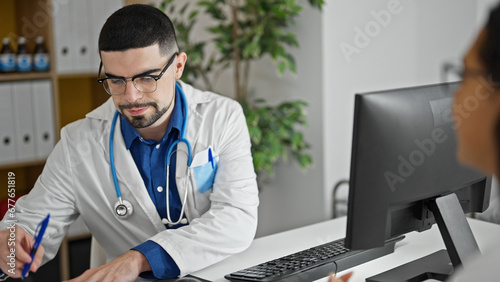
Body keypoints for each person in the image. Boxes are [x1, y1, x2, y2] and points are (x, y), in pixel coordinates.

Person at [0, 4, 258, 281]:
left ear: (179, 66)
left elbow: (236, 217)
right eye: (116, 80)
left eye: (147, 78)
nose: (131, 97)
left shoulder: (222, 117)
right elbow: (33, 219)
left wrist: (140, 258)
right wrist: (15, 237)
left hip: (215, 275)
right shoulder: (78, 143)